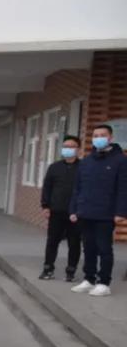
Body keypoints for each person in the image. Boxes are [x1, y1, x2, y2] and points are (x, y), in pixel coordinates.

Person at [70, 125, 127, 297]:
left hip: (106, 213)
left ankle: (104, 282)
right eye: (95, 135)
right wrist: (74, 209)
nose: (98, 138)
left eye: (103, 135)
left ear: (110, 138)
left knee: (104, 248)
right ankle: (89, 278)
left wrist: (121, 212)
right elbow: (77, 188)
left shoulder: (120, 160)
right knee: (88, 247)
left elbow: (124, 189)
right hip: (86, 211)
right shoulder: (87, 161)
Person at [40, 136, 82, 281]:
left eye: (71, 146)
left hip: (75, 213)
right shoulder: (54, 167)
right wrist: (45, 206)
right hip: (56, 211)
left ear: (78, 149)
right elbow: (47, 188)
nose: (68, 149)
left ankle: (71, 271)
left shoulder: (83, 167)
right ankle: (48, 269)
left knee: (74, 242)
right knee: (52, 241)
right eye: (65, 146)